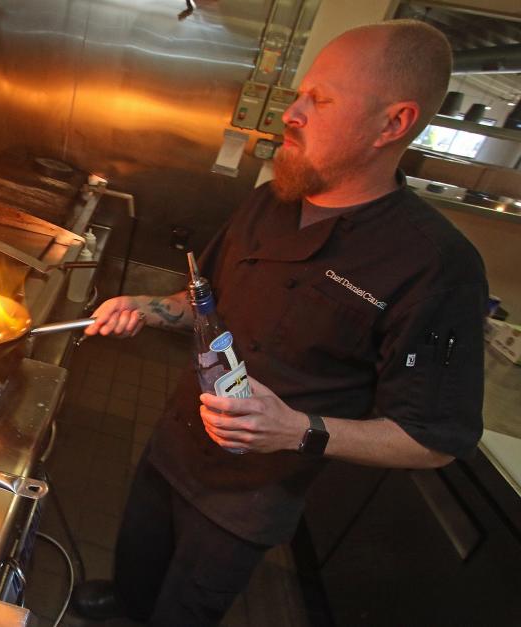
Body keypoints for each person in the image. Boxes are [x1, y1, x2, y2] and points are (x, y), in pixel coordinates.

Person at [70, 19, 488, 626]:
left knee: (182, 611)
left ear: (392, 123)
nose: (291, 113)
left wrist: (295, 428)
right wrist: (147, 305)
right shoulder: (272, 199)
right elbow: (201, 300)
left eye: (319, 101)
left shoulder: (436, 265)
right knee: (137, 561)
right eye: (299, 94)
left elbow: (433, 440)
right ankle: (126, 604)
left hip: (248, 499)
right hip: (174, 443)